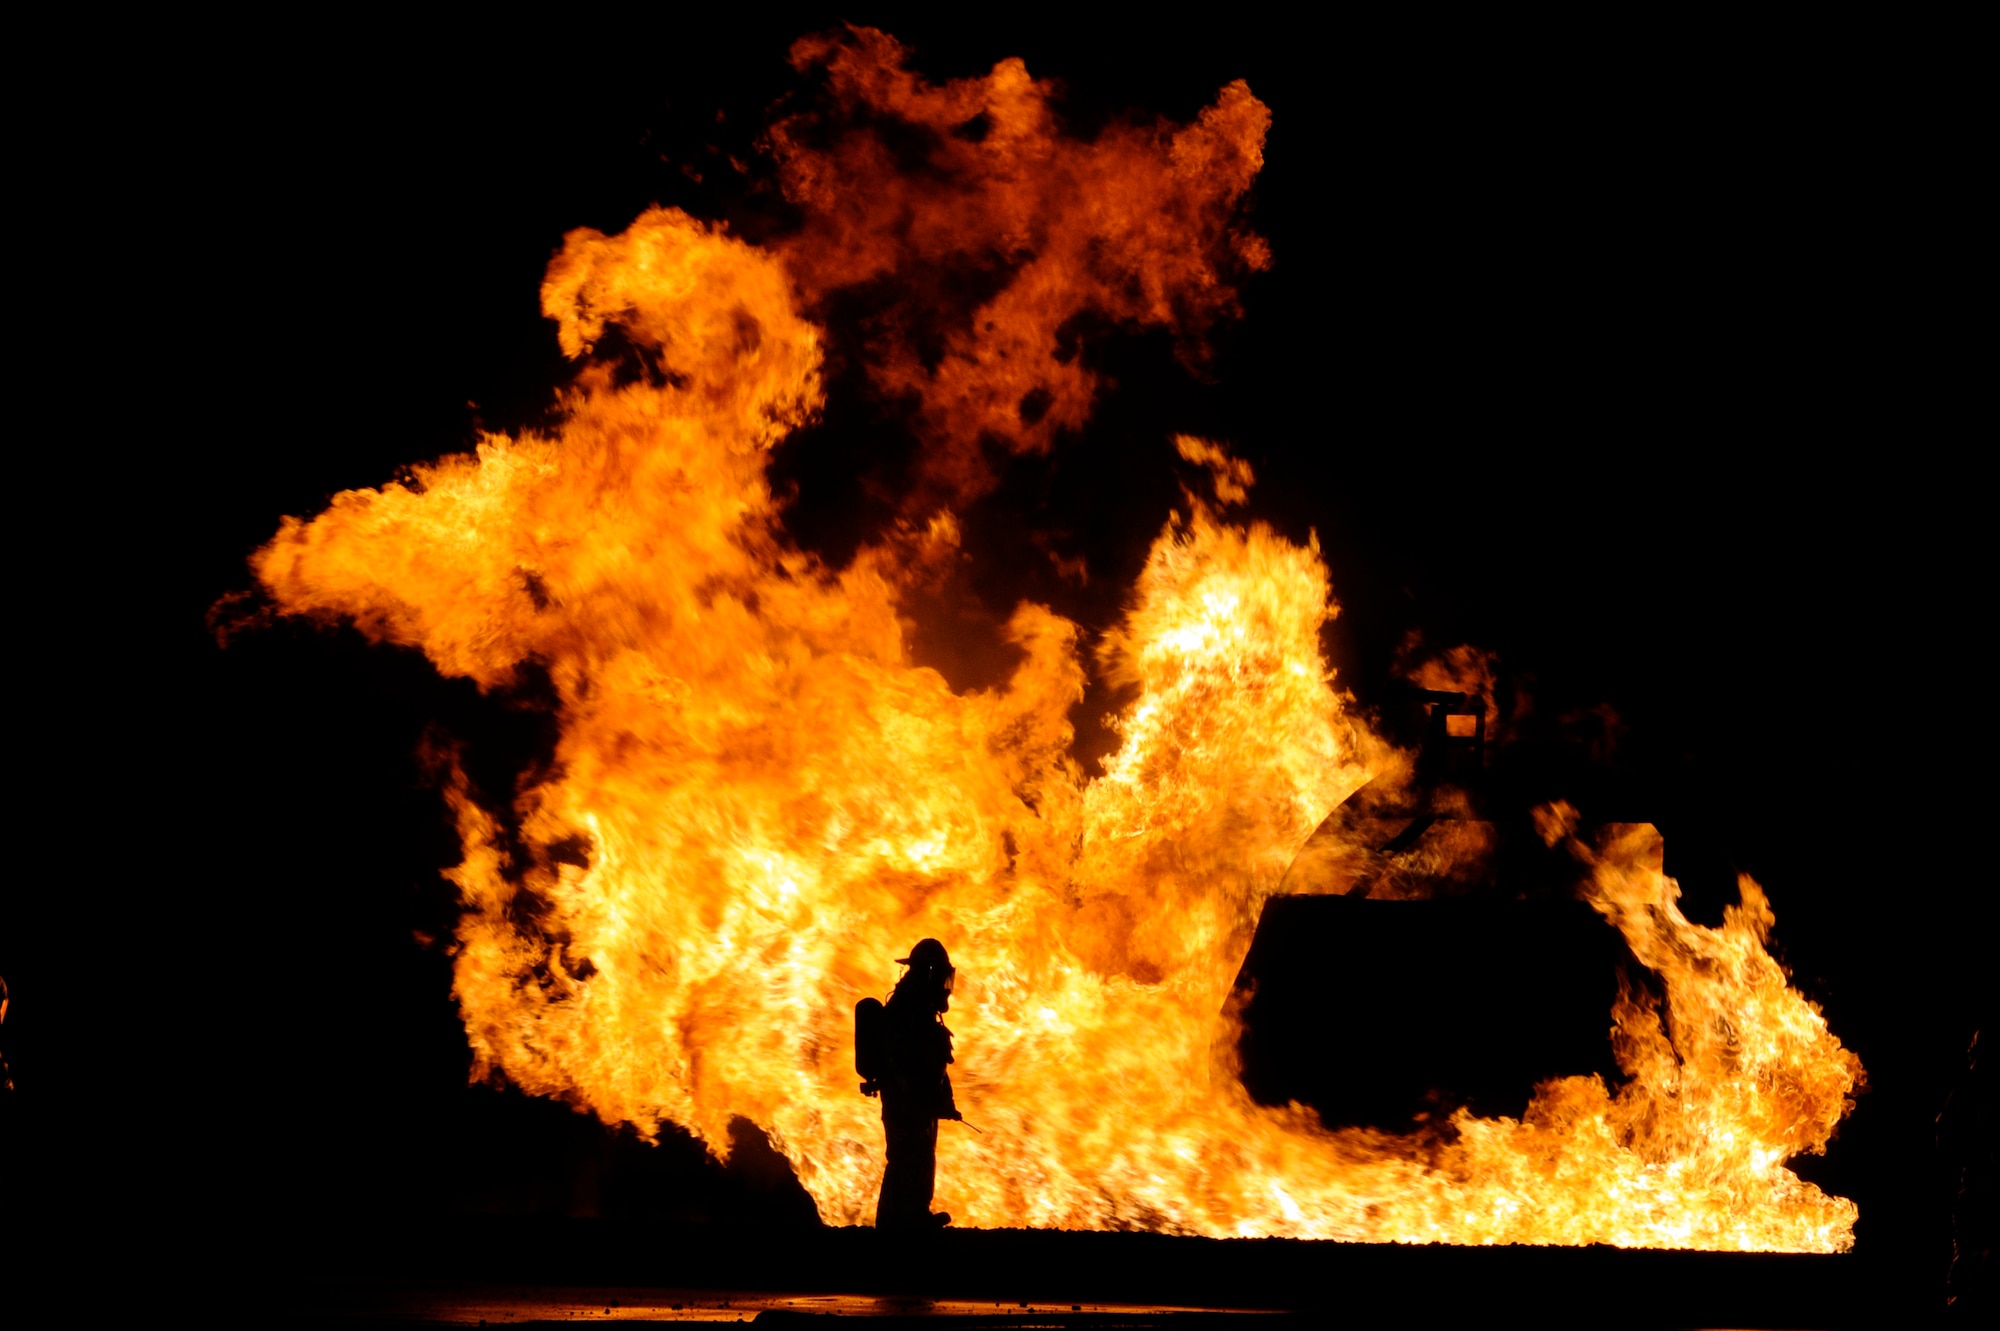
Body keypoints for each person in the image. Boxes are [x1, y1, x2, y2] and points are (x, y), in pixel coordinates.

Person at [873, 938, 961, 1230]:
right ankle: (895, 1227)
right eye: (941, 977)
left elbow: (934, 1063)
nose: (945, 986)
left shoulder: (919, 1009)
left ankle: (914, 1216)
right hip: (906, 1103)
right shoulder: (906, 1012)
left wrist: (944, 1102)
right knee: (906, 1159)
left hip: (918, 1103)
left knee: (920, 1157)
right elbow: (903, 1061)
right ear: (929, 973)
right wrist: (917, 1097)